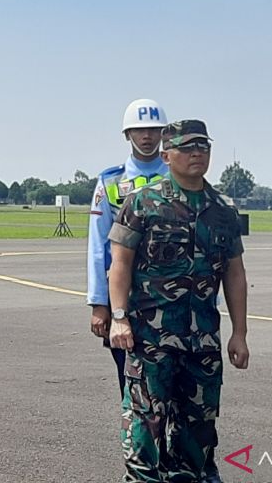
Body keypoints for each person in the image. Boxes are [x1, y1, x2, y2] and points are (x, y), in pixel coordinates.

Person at [108, 120, 249, 483]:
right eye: (187, 148)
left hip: (201, 340)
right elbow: (119, 265)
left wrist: (240, 333)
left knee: (198, 427)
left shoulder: (223, 211)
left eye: (203, 147)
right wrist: (119, 317)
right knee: (145, 423)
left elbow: (234, 274)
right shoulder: (142, 203)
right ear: (166, 155)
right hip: (150, 339)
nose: (197, 153)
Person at [87, 99, 169, 393]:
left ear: (163, 134)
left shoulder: (179, 176)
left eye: (153, 130)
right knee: (131, 385)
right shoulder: (110, 181)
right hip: (124, 297)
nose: (146, 136)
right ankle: (136, 440)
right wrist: (99, 303)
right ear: (127, 135)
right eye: (138, 130)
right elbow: (98, 245)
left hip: (170, 296)